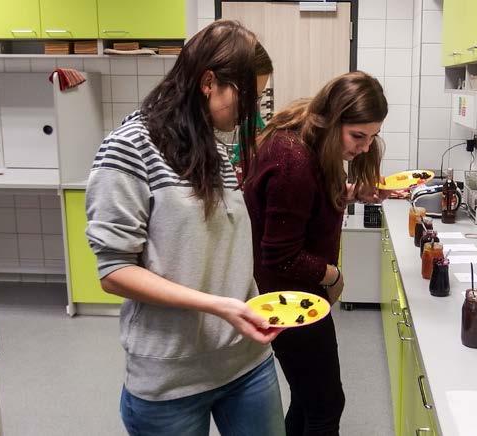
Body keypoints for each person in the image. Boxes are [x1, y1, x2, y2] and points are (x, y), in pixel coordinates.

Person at [85, 21, 284, 436]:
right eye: (247, 98)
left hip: (246, 361)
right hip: (171, 376)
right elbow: (114, 272)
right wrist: (218, 305)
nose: (250, 113)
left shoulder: (209, 143)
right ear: (208, 82)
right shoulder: (128, 147)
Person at [243, 71, 389, 435]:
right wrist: (333, 275)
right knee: (326, 405)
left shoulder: (305, 141)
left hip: (294, 291)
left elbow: (307, 204)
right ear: (333, 117)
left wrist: (355, 192)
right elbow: (281, 254)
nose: (365, 147)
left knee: (308, 398)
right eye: (358, 136)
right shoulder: (294, 160)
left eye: (372, 137)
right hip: (288, 297)